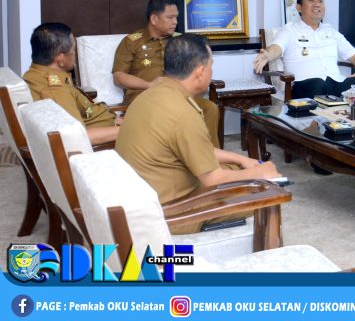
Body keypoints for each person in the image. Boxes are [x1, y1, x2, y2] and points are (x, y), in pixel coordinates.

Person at [116, 33, 280, 234]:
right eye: (211, 65)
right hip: (171, 212)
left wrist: (240, 159)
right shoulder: (183, 114)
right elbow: (213, 179)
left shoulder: (150, 96)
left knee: (236, 167)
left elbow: (195, 148)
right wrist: (262, 173)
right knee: (264, 190)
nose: (212, 71)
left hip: (146, 196)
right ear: (200, 71)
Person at [112, 0, 220, 146]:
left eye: (176, 17)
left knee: (210, 108)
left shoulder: (182, 42)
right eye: (170, 17)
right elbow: (119, 76)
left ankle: (210, 153)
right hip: (144, 96)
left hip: (179, 95)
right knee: (168, 112)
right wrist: (149, 85)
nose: (175, 22)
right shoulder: (132, 42)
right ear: (154, 19)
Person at [253, 0, 355, 99]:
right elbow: (276, 48)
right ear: (299, 7)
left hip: (336, 84)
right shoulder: (290, 30)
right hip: (305, 86)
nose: (317, 4)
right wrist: (268, 54)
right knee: (318, 83)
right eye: (311, 0)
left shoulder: (331, 31)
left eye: (320, 1)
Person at [23, 23, 120, 145]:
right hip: (105, 144)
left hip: (109, 124)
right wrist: (127, 131)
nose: (74, 54)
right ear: (60, 59)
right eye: (73, 50)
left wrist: (115, 121)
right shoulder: (55, 91)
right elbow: (76, 137)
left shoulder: (35, 74)